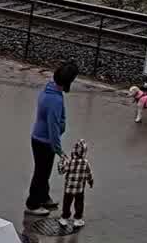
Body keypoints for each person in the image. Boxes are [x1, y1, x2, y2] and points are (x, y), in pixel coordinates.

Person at [27, 60, 79, 215]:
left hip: (39, 138)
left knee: (44, 172)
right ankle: (33, 204)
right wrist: (59, 150)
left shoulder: (49, 89)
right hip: (45, 141)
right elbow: (53, 127)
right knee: (41, 173)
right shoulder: (55, 100)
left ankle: (44, 196)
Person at [57, 137, 94, 229]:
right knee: (79, 203)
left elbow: (61, 171)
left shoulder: (70, 162)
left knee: (67, 203)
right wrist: (90, 181)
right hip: (80, 188)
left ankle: (64, 218)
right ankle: (77, 219)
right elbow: (88, 173)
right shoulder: (85, 163)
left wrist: (61, 161)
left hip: (69, 188)